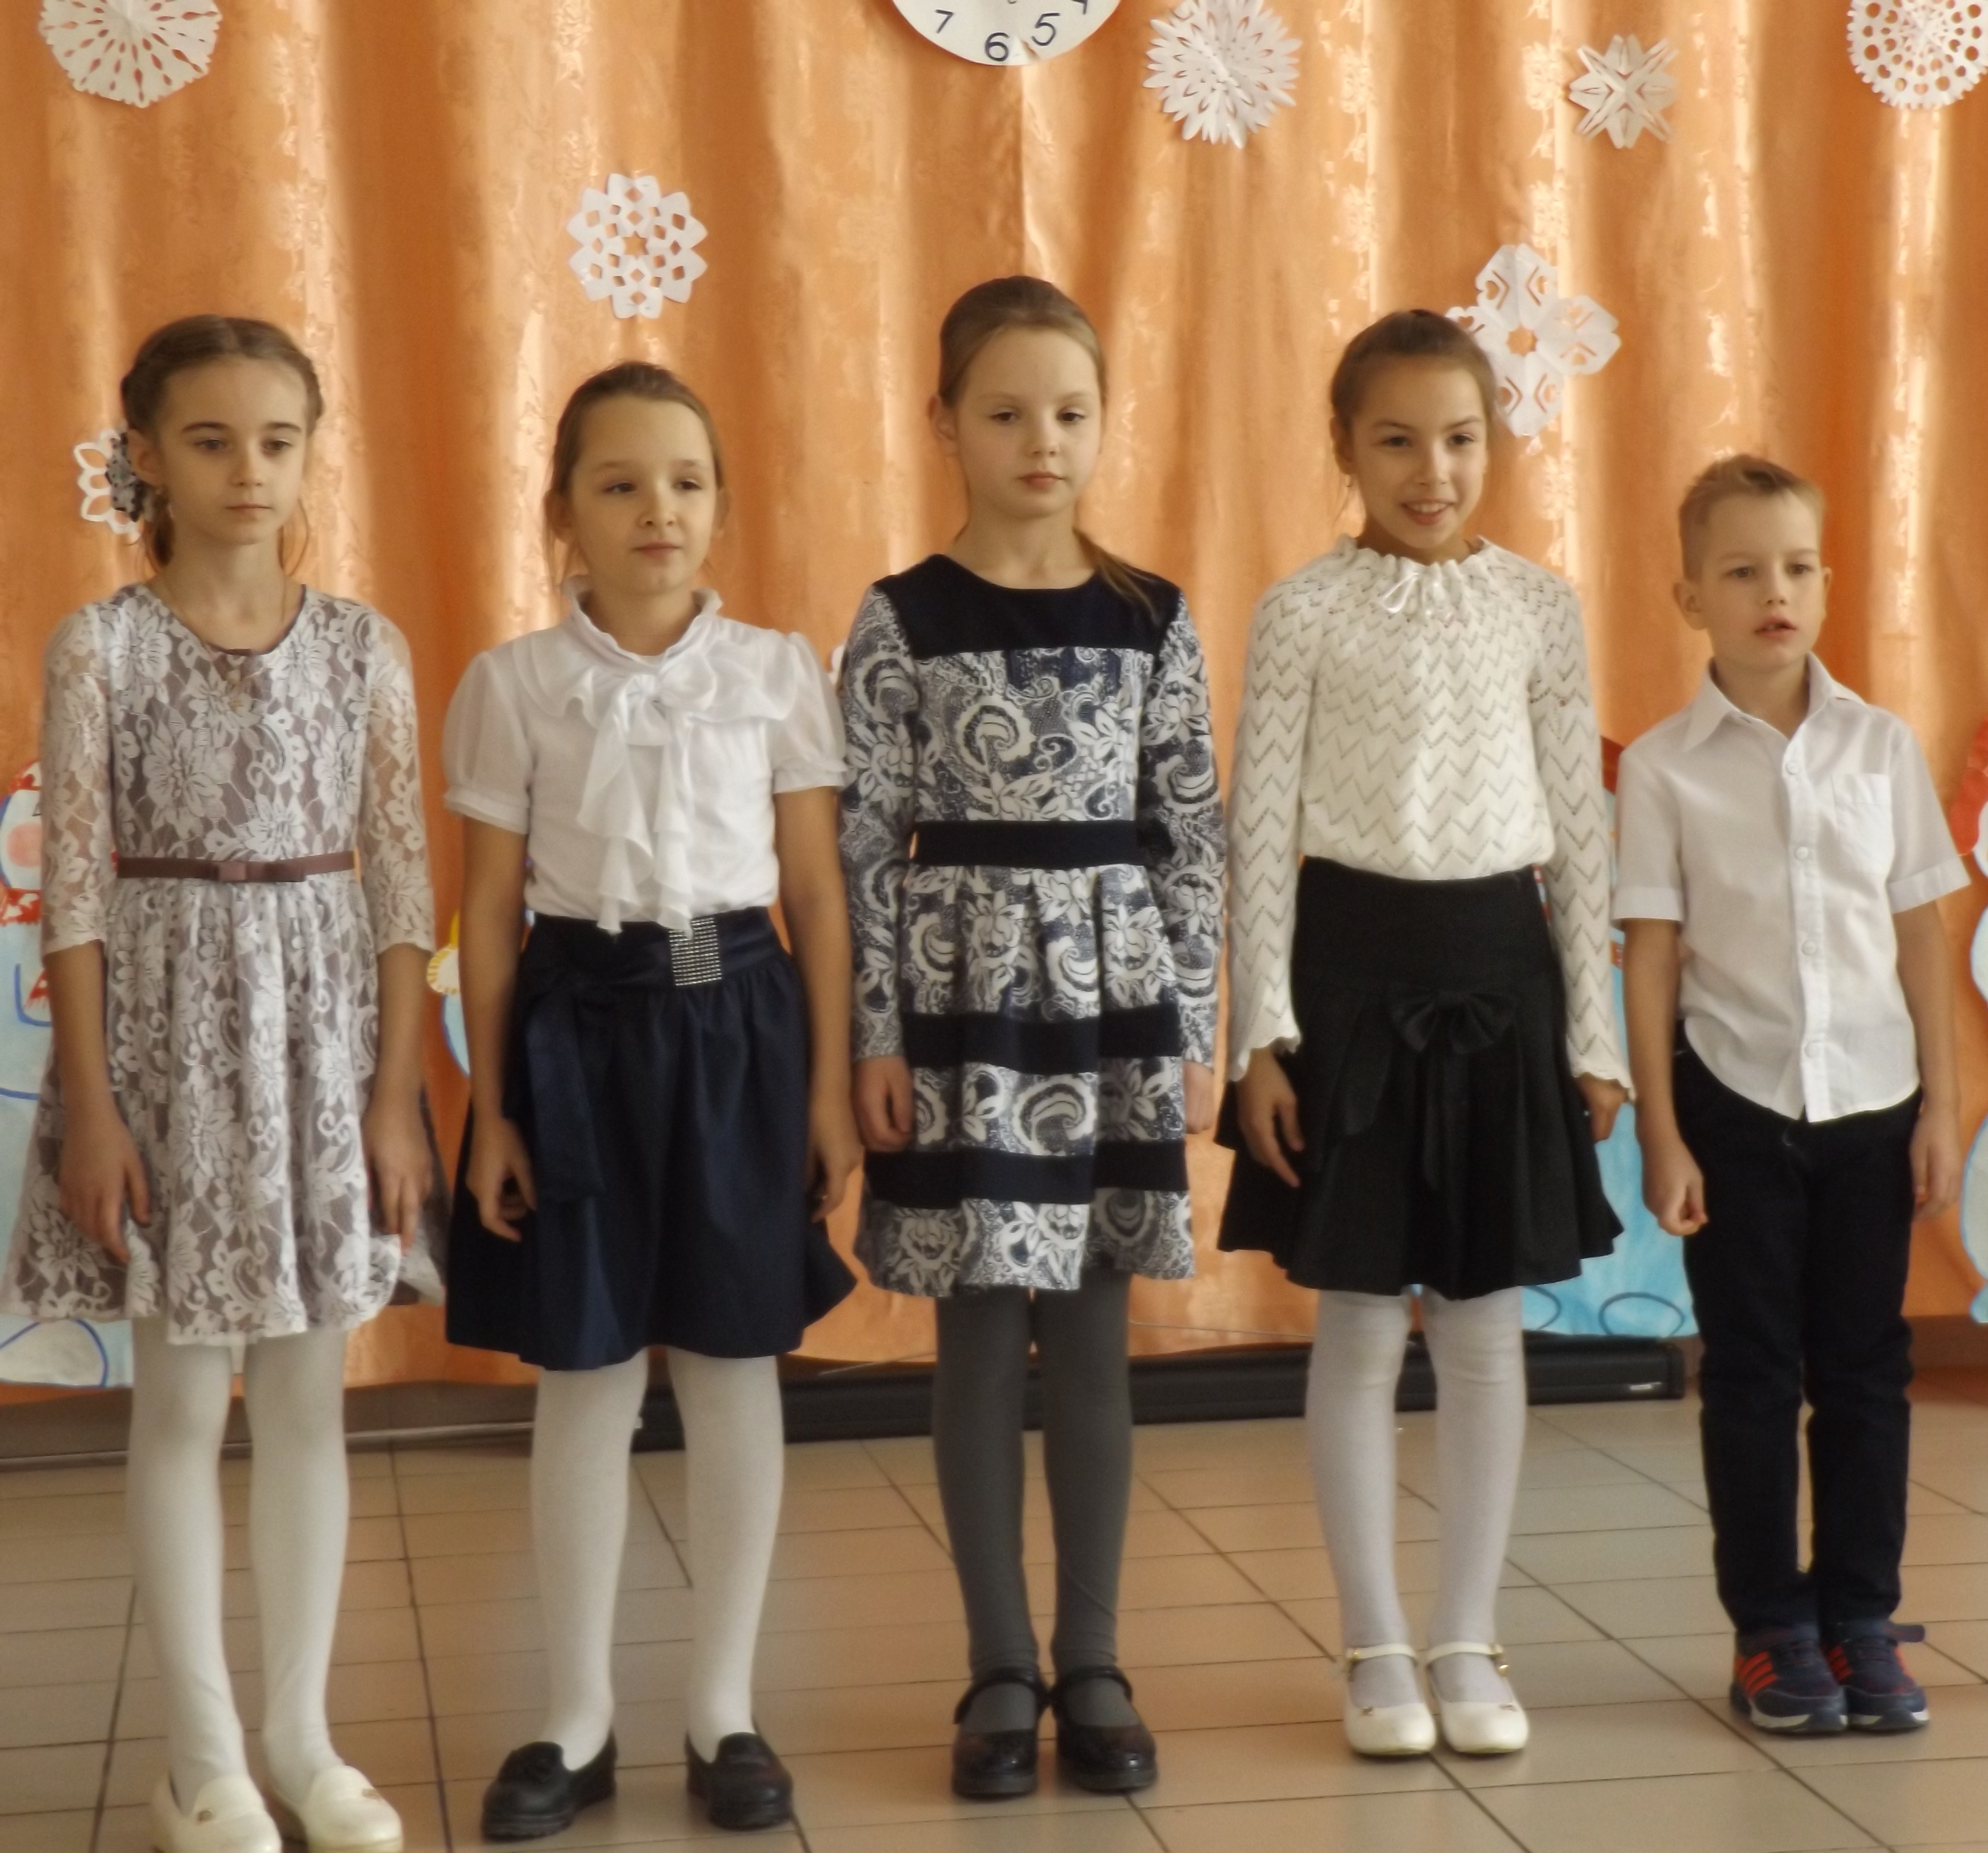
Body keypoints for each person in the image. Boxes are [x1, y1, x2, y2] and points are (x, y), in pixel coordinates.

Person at [1, 315, 431, 1853]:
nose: (249, 470)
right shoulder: (101, 647)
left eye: (278, 440)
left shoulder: (366, 647)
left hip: (321, 1043)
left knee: (309, 1397)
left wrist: (395, 1096)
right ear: (146, 458)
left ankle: (303, 1744)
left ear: (312, 453)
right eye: (210, 440)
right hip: (165, 1050)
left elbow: (400, 885)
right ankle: (201, 1763)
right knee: (183, 1398)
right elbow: (78, 896)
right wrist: (94, 1106)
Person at [444, 361, 861, 1836]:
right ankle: (576, 1717)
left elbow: (817, 892)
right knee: (589, 1373)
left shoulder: (776, 673)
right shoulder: (512, 685)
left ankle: (723, 1708)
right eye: (617, 484)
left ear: (722, 506)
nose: (655, 511)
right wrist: (493, 1108)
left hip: (741, 1030)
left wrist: (826, 1091)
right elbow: (489, 914)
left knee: (737, 1364)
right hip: (579, 1035)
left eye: (684, 482)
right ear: (562, 512)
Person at [1221, 309, 1628, 1760]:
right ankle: (1375, 1645)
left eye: (1459, 439)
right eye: (1395, 440)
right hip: (1348, 980)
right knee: (1353, 1324)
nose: (1431, 470)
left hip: (1501, 976)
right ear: (1344, 449)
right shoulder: (1301, 611)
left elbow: (1579, 830)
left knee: (1481, 1326)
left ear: (1495, 443)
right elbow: (1257, 830)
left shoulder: (1540, 608)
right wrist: (1260, 1037)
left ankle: (1467, 1634)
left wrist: (1595, 1035)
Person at [839, 277, 1224, 1800]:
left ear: (1106, 421)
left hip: (1113, 1007)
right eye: (1005, 412)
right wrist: (876, 1034)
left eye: (1070, 411)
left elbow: (1190, 835)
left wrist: (1194, 1027)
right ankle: (999, 1663)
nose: (1041, 440)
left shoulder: (1153, 618)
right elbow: (863, 845)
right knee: (981, 1334)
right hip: (962, 1008)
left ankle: (1096, 1659)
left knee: (1098, 1337)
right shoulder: (901, 618)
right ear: (945, 423)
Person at [1615, 454, 1965, 1735]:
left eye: (1799, 568)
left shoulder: (1881, 747)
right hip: (1737, 1106)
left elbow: (1920, 932)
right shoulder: (1664, 768)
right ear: (1689, 596)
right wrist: (1663, 1131)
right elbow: (1653, 957)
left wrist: (1940, 1109)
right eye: (1743, 570)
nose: (1776, 592)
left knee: (1867, 1372)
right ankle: (1770, 1628)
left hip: (1874, 1103)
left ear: (1826, 584)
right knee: (1755, 1375)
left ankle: (1861, 1618)